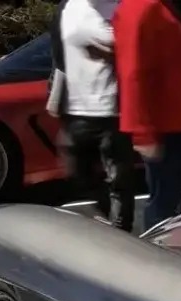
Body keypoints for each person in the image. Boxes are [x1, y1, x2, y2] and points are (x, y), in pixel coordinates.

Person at [113, 0, 181, 230]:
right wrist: (143, 134)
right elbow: (133, 74)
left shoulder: (170, 6)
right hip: (167, 129)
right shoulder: (141, 8)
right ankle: (156, 251)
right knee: (164, 210)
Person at [58, 0, 138, 231]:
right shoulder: (70, 7)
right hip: (77, 109)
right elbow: (60, 53)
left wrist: (108, 53)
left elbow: (133, 48)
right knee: (79, 174)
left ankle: (122, 232)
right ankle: (110, 216)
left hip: (110, 109)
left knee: (119, 180)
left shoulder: (118, 7)